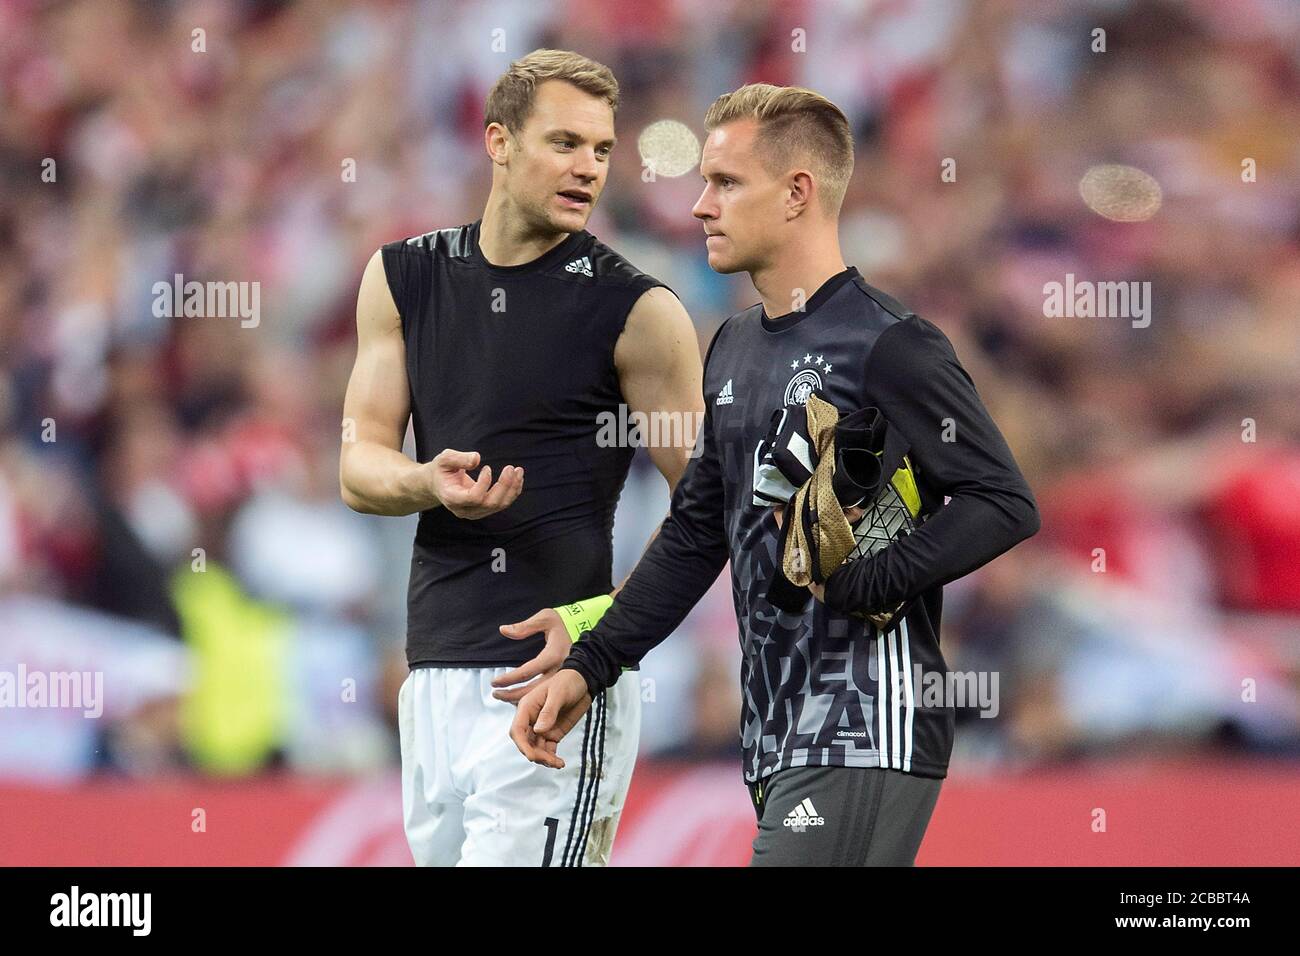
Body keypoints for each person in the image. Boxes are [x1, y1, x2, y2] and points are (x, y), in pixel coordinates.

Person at [510, 83, 1040, 866]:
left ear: (798, 192)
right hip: (775, 731)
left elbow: (1003, 499)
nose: (699, 206)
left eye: (725, 182)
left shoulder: (891, 344)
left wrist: (877, 577)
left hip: (867, 722)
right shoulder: (733, 348)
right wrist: (594, 660)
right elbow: (697, 532)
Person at [340, 50, 702, 866]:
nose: (589, 168)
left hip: (556, 685)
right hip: (430, 675)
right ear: (498, 141)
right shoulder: (403, 278)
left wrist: (597, 631)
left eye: (603, 151)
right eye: (565, 143)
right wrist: (425, 481)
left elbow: (709, 508)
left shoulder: (638, 310)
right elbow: (358, 465)